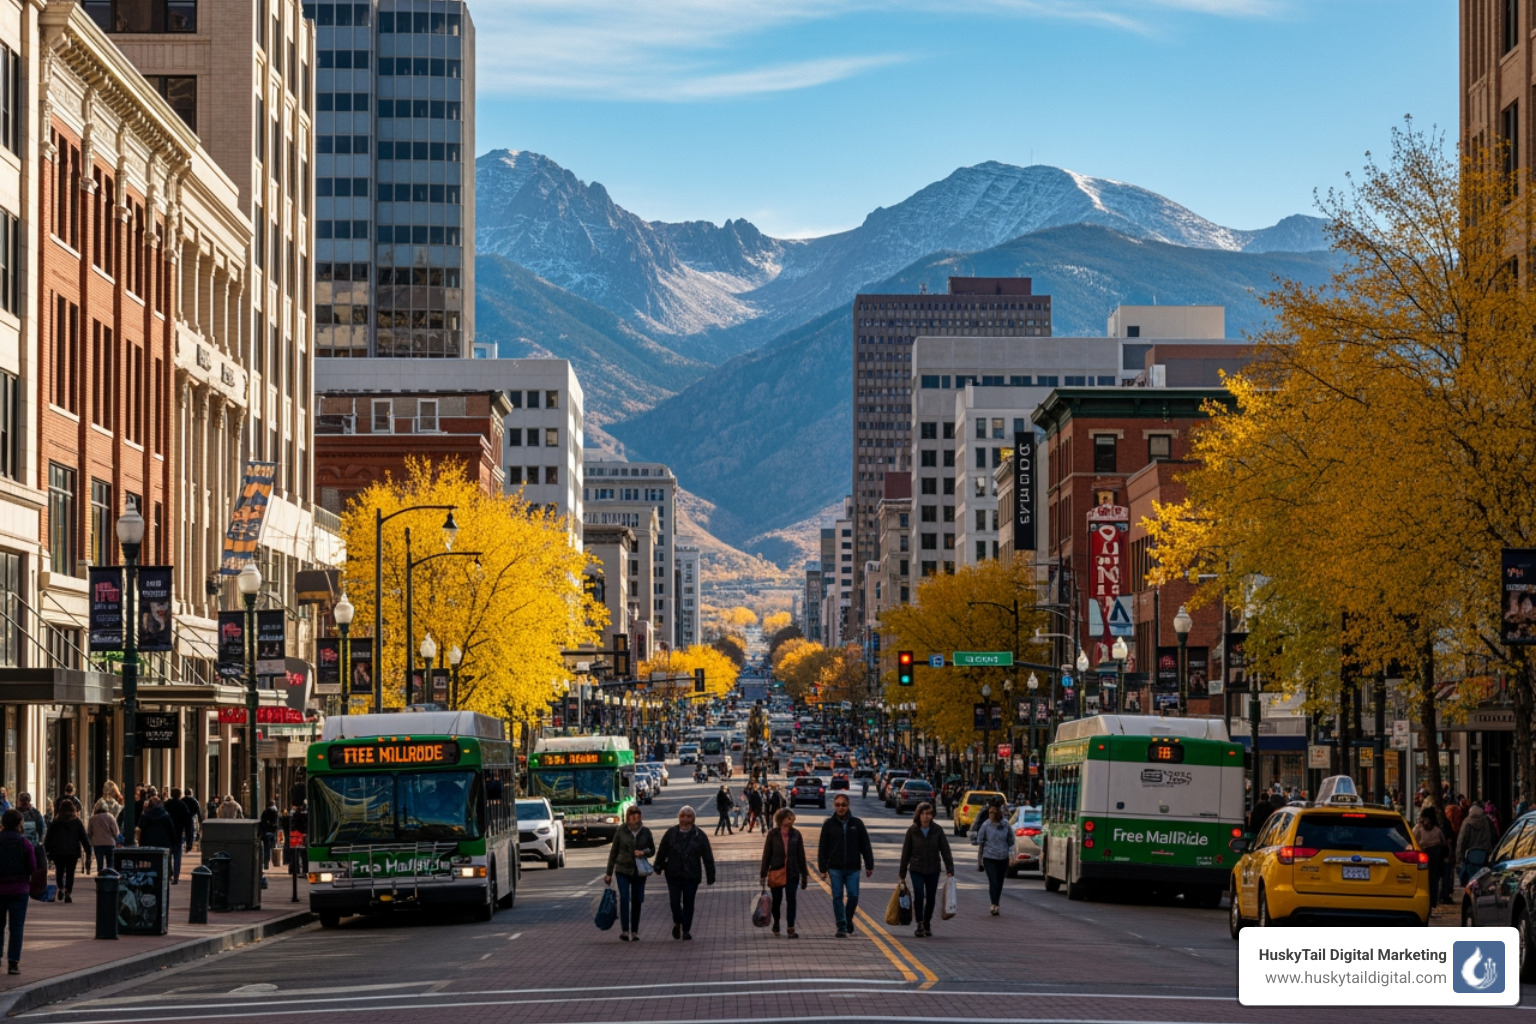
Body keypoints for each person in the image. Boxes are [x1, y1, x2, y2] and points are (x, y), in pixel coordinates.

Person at [654, 806, 715, 941]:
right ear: (679, 818)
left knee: (689, 902)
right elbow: (662, 850)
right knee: (674, 902)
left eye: (688, 816)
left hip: (692, 875)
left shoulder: (699, 835)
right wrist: (658, 865)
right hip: (673, 874)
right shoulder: (671, 833)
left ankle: (686, 929)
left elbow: (707, 856)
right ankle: (678, 922)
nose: (685, 819)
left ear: (693, 819)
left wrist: (710, 875)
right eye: (682, 816)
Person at [816, 793, 873, 937]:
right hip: (835, 868)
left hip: (853, 868)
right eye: (837, 805)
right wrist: (822, 868)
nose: (840, 808)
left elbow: (865, 845)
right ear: (834, 806)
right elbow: (823, 847)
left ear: (848, 806)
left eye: (843, 805)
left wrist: (869, 864)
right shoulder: (829, 824)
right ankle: (841, 926)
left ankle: (847, 919)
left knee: (853, 896)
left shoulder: (857, 824)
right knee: (837, 897)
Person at [898, 802, 954, 938]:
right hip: (916, 869)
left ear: (932, 815)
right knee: (918, 895)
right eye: (923, 813)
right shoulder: (912, 831)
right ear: (918, 815)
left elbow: (945, 850)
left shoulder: (937, 830)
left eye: (928, 813)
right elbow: (906, 853)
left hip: (933, 869)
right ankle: (920, 923)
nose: (925, 816)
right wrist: (902, 874)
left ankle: (927, 922)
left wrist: (949, 869)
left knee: (930, 898)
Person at [603, 807, 654, 942]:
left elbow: (652, 850)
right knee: (624, 898)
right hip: (623, 870)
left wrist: (643, 852)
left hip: (639, 871)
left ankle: (634, 931)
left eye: (637, 817)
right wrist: (608, 873)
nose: (635, 820)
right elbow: (614, 852)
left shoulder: (646, 832)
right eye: (632, 818)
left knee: (637, 900)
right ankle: (625, 931)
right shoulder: (621, 830)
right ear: (627, 818)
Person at [759, 808, 809, 938]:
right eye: (788, 818)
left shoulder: (796, 834)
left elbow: (801, 855)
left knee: (791, 899)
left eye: (792, 818)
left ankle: (790, 927)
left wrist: (804, 874)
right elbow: (766, 855)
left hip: (792, 872)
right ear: (781, 819)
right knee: (777, 901)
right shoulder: (773, 834)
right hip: (776, 871)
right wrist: (763, 874)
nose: (790, 821)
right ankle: (776, 922)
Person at [0, 808, 37, 974]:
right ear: (18, 824)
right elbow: (32, 867)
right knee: (17, 927)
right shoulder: (25, 844)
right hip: (19, 889)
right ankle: (13, 962)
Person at [971, 800, 1015, 916]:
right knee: (993, 881)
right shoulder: (986, 825)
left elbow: (1011, 840)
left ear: (998, 813)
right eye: (989, 812)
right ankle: (993, 904)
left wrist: (1010, 854)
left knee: (999, 883)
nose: (991, 815)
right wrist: (979, 862)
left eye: (993, 812)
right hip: (989, 858)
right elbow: (980, 843)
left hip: (1003, 858)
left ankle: (997, 904)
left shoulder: (1005, 824)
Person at [42, 801, 88, 903]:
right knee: (70, 873)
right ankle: (68, 891)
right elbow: (83, 837)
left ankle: (61, 887)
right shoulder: (76, 822)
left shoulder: (56, 822)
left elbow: (49, 837)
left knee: (59, 871)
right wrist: (88, 850)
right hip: (72, 852)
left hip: (58, 852)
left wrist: (47, 850)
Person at [137, 796, 180, 882]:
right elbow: (171, 830)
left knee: (150, 864)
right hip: (163, 843)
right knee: (164, 864)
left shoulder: (145, 815)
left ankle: (151, 880)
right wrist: (173, 844)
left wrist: (141, 844)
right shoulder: (166, 815)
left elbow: (140, 829)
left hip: (148, 843)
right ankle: (165, 879)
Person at [1413, 807, 1448, 909]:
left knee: (1433, 881)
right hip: (1427, 858)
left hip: (1432, 859)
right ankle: (1430, 900)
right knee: (1430, 880)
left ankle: (1432, 901)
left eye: (1425, 819)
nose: (1424, 822)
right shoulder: (1422, 829)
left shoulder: (1435, 830)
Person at [1456, 801, 1497, 888]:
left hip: (1470, 857)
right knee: (1483, 880)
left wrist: (1459, 858)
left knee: (1471, 881)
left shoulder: (1466, 822)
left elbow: (1461, 841)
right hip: (1484, 856)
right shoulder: (1487, 821)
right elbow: (1494, 837)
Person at [88, 801, 118, 873]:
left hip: (97, 844)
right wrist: (116, 838)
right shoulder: (110, 817)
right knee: (110, 863)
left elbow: (90, 832)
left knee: (100, 864)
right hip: (110, 843)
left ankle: (100, 875)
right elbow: (115, 831)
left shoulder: (92, 819)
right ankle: (109, 876)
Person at [259, 799, 280, 870]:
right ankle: (274, 862)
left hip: (266, 832)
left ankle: (266, 863)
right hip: (272, 832)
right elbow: (276, 823)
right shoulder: (275, 812)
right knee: (273, 847)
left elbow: (262, 821)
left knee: (266, 848)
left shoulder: (265, 812)